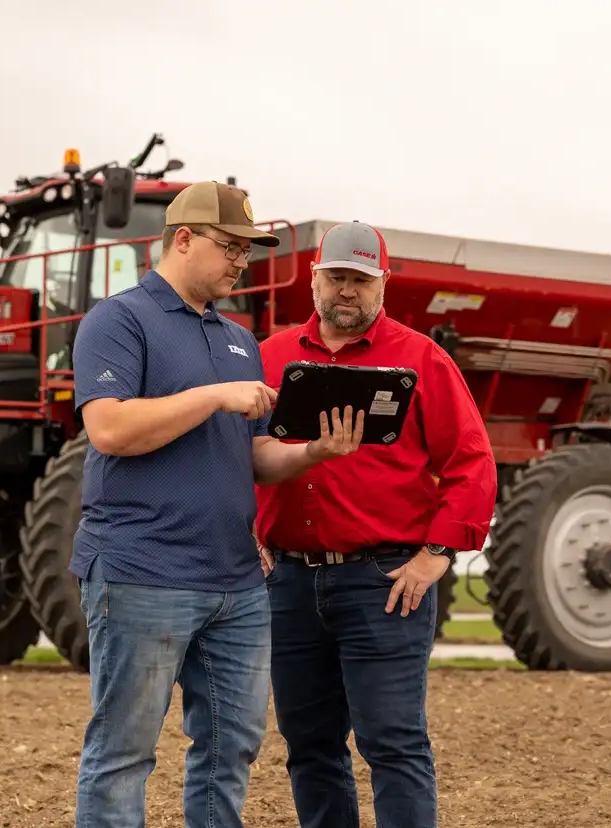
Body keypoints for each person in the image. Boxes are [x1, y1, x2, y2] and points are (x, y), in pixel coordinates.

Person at [70, 181, 366, 828]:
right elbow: (111, 430)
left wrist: (316, 452)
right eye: (230, 247)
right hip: (141, 572)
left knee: (231, 749)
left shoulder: (237, 338)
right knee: (124, 753)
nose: (241, 262)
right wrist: (215, 397)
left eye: (247, 251)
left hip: (236, 583)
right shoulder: (117, 321)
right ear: (182, 239)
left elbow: (254, 457)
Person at [254, 220, 498, 828]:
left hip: (385, 582)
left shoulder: (422, 361)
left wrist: (436, 554)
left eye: (361, 281)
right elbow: (232, 461)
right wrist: (248, 535)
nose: (347, 291)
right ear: (314, 278)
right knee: (308, 746)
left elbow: (473, 463)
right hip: (289, 583)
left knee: (393, 743)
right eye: (336, 277)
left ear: (383, 284)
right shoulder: (271, 358)